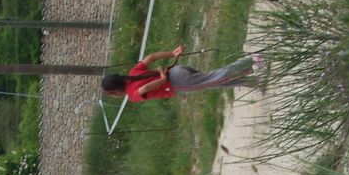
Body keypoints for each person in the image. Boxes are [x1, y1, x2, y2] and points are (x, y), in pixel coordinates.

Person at [102, 44, 263, 102]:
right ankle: (252, 81)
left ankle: (251, 60)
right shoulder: (133, 72)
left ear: (116, 91)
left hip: (177, 84)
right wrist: (173, 54)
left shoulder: (132, 95)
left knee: (216, 78)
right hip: (177, 71)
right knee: (213, 82)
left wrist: (162, 79)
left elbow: (144, 90)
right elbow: (150, 57)